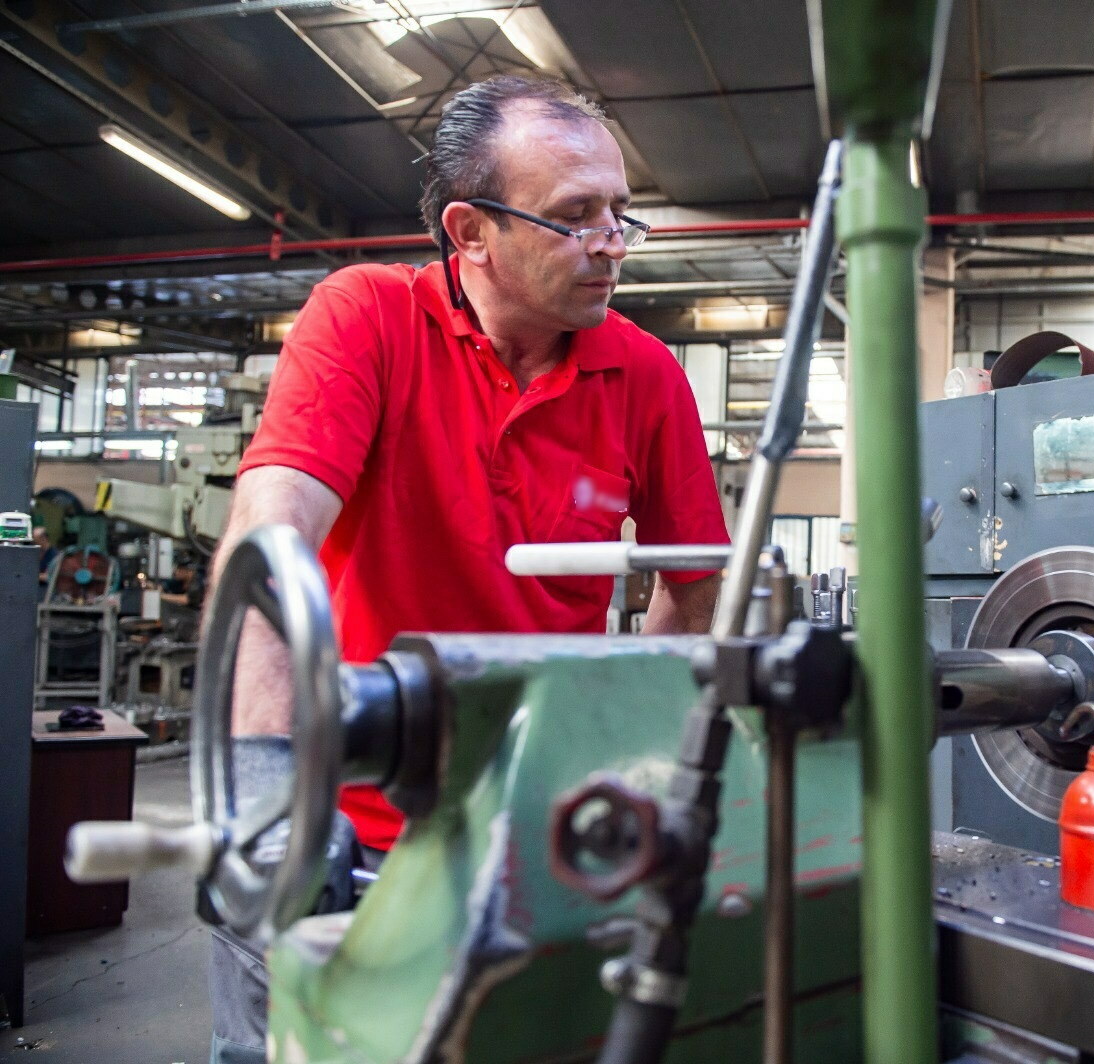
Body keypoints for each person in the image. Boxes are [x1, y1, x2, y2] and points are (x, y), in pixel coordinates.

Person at [205, 75, 729, 1064]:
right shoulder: (365, 318)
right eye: (576, 216)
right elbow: (271, 541)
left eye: (620, 212)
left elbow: (694, 587)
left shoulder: (646, 375)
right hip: (347, 829)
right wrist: (268, 790)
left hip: (533, 842)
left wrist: (616, 764)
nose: (612, 240)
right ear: (471, 230)